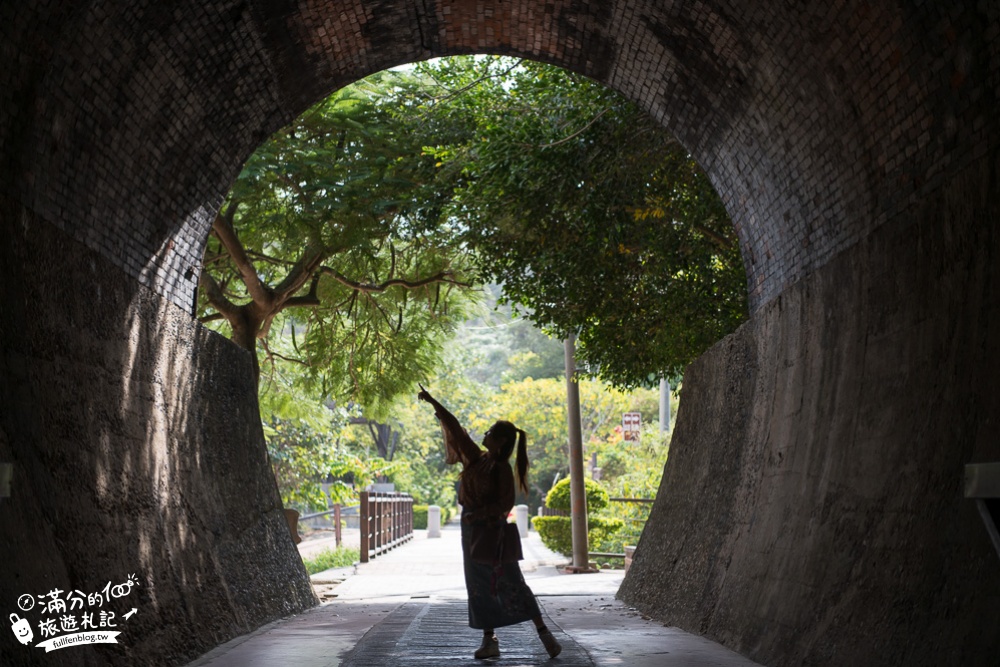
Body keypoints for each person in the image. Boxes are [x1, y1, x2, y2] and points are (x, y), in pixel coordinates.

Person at [418, 385, 562, 660]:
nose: (484, 435)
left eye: (489, 433)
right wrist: (435, 403)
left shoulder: (502, 469)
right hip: (471, 531)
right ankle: (489, 640)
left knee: (512, 583)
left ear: (500, 441)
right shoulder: (478, 460)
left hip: (491, 533)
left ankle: (545, 635)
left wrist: (479, 515)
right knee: (478, 587)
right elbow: (458, 432)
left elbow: (504, 504)